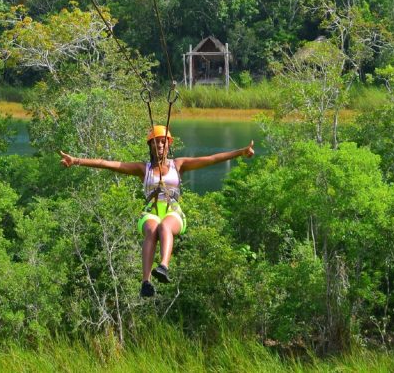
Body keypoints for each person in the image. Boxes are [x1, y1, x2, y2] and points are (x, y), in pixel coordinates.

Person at [59, 125, 254, 297]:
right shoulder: (143, 169)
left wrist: (240, 152)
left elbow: (211, 158)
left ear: (168, 144)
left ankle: (163, 267)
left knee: (164, 226)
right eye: (156, 143)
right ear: (150, 146)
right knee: (153, 229)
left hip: (173, 212)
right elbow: (107, 164)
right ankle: (146, 282)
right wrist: (76, 160)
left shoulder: (178, 165)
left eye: (163, 142)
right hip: (150, 212)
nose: (160, 146)